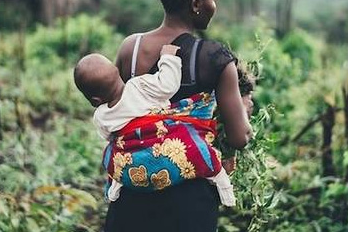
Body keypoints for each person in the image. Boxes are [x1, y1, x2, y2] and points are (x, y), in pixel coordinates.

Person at [106, 0, 252, 232]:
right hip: (188, 202)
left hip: (132, 192)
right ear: (197, 4)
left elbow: (118, 112)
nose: (214, 6)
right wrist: (244, 107)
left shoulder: (131, 49)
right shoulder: (215, 58)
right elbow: (239, 138)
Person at [73, 45, 235, 206]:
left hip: (133, 163)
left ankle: (116, 183)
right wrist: (168, 57)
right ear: (116, 71)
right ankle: (222, 183)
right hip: (162, 145)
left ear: (95, 100)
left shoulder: (101, 116)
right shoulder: (138, 86)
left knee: (111, 153)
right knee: (194, 145)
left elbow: (110, 137)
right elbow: (168, 85)